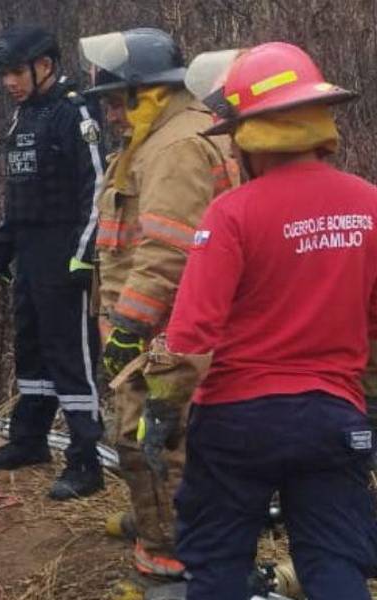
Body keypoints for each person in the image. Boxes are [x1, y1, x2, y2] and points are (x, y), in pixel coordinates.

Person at [140, 42, 377, 599]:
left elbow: (192, 332)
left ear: (249, 136)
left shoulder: (232, 214)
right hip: (333, 419)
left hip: (234, 424)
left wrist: (161, 409)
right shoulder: (369, 205)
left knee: (218, 565)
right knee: (335, 562)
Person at [79, 28, 239, 583]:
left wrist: (128, 326)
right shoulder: (165, 137)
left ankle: (169, 552)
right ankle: (167, 523)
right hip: (168, 328)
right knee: (171, 439)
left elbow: (170, 251)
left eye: (115, 101)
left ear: (146, 92)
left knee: (150, 438)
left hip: (164, 335)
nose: (111, 116)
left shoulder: (172, 149)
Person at [0, 24, 107, 501]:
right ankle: (29, 440)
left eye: (15, 72)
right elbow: (17, 191)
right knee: (30, 348)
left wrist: (83, 254)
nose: (8, 82)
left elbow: (95, 186)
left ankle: (85, 459)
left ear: (45, 66)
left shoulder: (75, 113)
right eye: (3, 74)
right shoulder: (21, 118)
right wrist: (3, 244)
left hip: (64, 251)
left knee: (70, 356)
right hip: (30, 253)